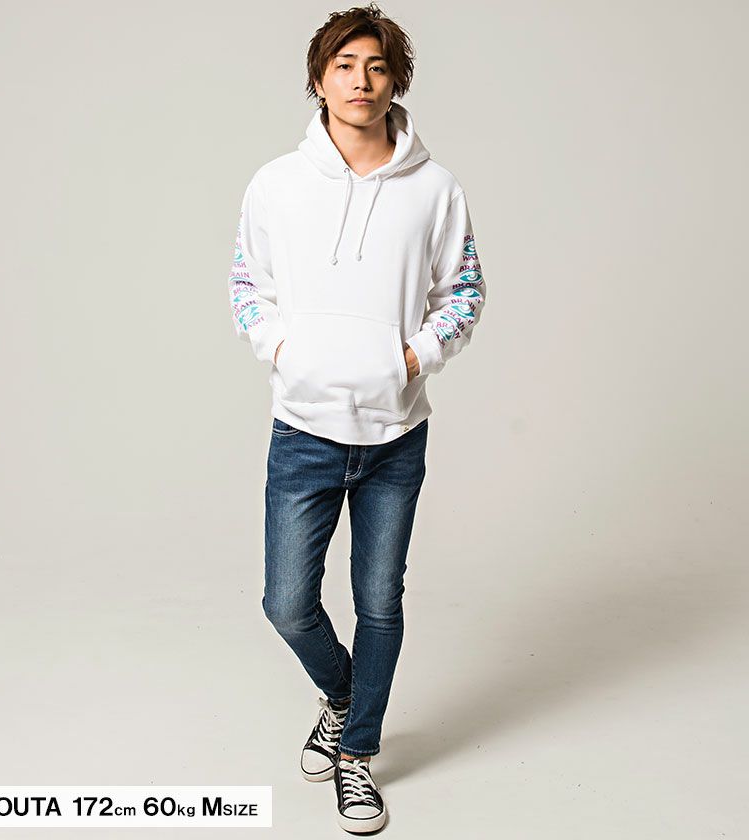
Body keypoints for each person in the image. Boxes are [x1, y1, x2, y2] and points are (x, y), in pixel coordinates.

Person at [228, 3, 487, 833]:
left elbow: (465, 292)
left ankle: (356, 754)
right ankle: (345, 697)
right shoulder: (275, 184)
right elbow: (247, 286)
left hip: (394, 435)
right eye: (345, 65)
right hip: (302, 428)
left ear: (395, 80)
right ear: (319, 78)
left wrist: (410, 360)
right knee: (286, 602)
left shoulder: (436, 190)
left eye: (376, 66)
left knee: (379, 600)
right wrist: (285, 352)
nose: (361, 81)